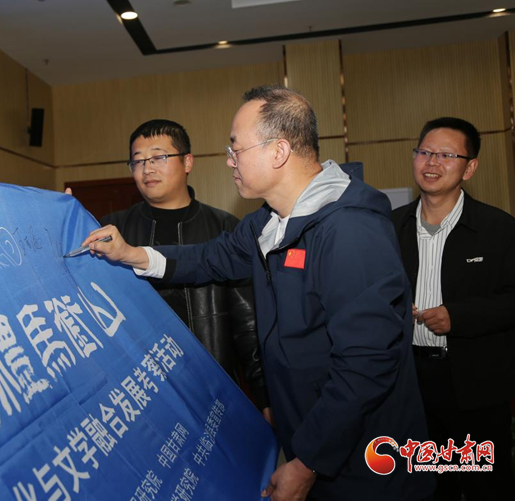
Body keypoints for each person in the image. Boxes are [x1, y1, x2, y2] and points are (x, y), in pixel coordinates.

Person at [79, 85, 434, 501]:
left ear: (278, 151)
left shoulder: (350, 230)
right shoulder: (268, 222)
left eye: (236, 148)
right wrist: (131, 254)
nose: (230, 160)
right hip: (313, 440)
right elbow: (208, 258)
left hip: (366, 461)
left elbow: (366, 365)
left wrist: (307, 462)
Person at [100, 119, 270, 420]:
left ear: (188, 162)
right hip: (140, 392)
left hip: (211, 387)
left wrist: (264, 397)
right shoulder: (114, 230)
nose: (147, 169)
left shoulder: (224, 229)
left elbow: (248, 324)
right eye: (138, 161)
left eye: (158, 157)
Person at [391, 117, 515, 500]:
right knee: (424, 488)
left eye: (446, 155)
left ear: (470, 167)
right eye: (425, 152)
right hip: (408, 383)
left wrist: (457, 317)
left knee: (484, 487)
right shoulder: (388, 228)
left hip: (475, 385)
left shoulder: (498, 229)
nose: (432, 162)